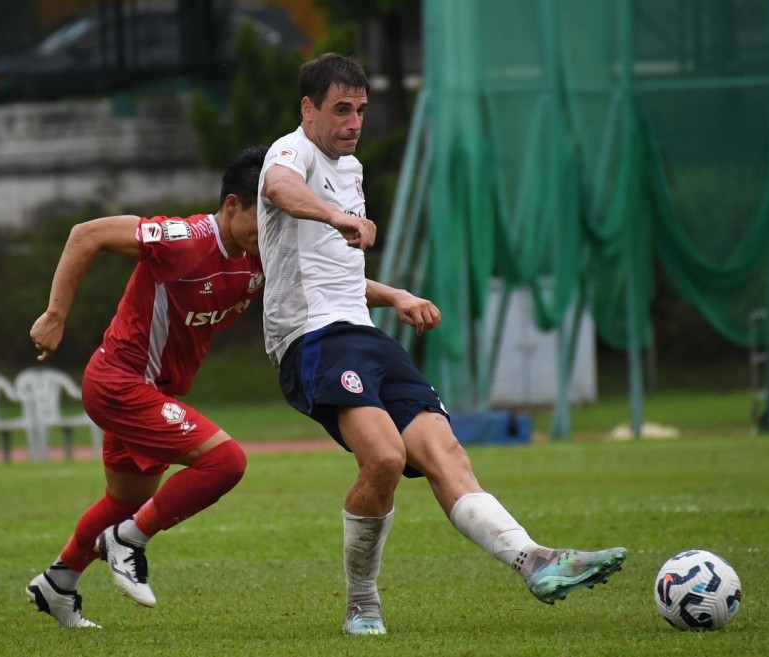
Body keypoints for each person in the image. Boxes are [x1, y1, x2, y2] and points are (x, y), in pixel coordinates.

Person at [256, 53, 628, 636]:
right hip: (313, 340)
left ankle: (533, 560)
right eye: (340, 110)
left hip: (361, 332)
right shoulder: (291, 153)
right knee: (383, 457)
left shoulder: (348, 169)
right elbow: (279, 188)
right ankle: (362, 602)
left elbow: (331, 270)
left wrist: (395, 294)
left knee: (445, 453)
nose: (353, 123)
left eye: (361, 110)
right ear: (308, 109)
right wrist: (335, 216)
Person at [25, 145, 268, 628]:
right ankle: (128, 540)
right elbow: (86, 234)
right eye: (265, 219)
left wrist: (396, 297)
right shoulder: (183, 238)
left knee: (125, 500)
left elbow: (329, 283)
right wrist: (55, 315)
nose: (271, 233)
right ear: (233, 206)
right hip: (119, 382)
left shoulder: (264, 255)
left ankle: (58, 583)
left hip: (155, 394)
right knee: (226, 461)